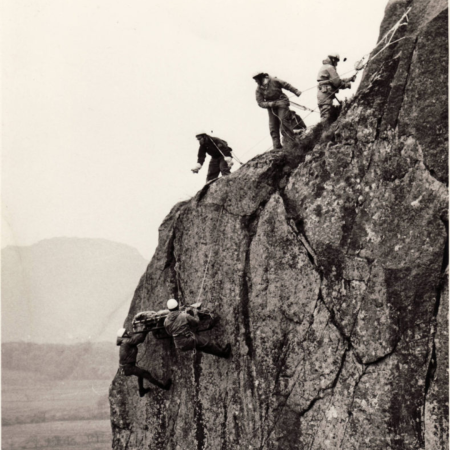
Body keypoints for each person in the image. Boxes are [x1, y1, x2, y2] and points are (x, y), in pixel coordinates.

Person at [164, 299, 231, 358]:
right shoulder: (184, 316)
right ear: (177, 306)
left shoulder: (166, 321)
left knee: (203, 347)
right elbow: (196, 322)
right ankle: (224, 354)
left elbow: (169, 333)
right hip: (188, 339)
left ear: (169, 309)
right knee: (208, 343)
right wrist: (195, 313)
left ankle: (222, 352)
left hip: (179, 344)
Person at [116, 327, 172, 397]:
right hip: (128, 367)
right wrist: (146, 330)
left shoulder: (124, 342)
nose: (128, 332)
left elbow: (135, 338)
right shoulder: (126, 342)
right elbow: (138, 339)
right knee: (145, 374)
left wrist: (144, 331)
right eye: (126, 332)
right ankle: (165, 387)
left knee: (140, 374)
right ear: (124, 335)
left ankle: (141, 391)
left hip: (126, 367)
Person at [253, 72, 302, 149]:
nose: (256, 82)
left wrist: (296, 91)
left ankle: (290, 142)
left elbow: (286, 85)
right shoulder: (258, 90)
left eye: (257, 80)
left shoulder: (274, 80)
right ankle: (277, 146)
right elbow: (260, 103)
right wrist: (270, 104)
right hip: (271, 106)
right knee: (273, 126)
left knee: (283, 121)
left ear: (261, 78)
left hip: (281, 102)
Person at [317, 52, 356, 122]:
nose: (337, 64)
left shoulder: (325, 67)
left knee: (325, 115)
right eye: (336, 61)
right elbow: (337, 83)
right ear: (333, 59)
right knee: (326, 117)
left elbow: (334, 81)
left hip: (322, 94)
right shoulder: (330, 67)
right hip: (326, 96)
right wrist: (347, 85)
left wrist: (349, 79)